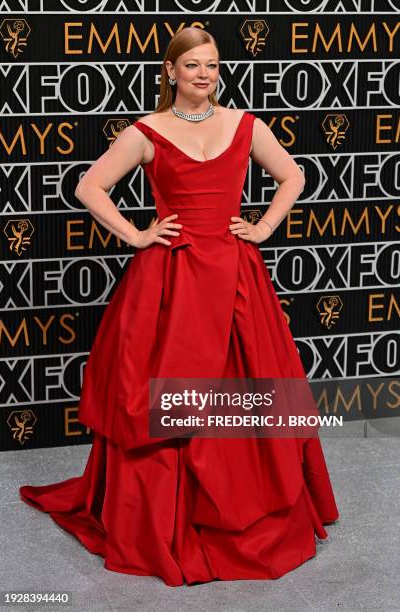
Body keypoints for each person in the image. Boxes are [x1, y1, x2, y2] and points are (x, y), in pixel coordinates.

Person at [19, 27, 339, 587]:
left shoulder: (245, 125)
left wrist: (262, 226)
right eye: (191, 65)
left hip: (236, 277)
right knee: (168, 392)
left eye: (211, 65)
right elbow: (90, 188)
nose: (203, 74)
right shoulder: (145, 132)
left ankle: (242, 507)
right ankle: (167, 518)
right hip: (170, 283)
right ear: (170, 71)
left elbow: (293, 175)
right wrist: (138, 234)